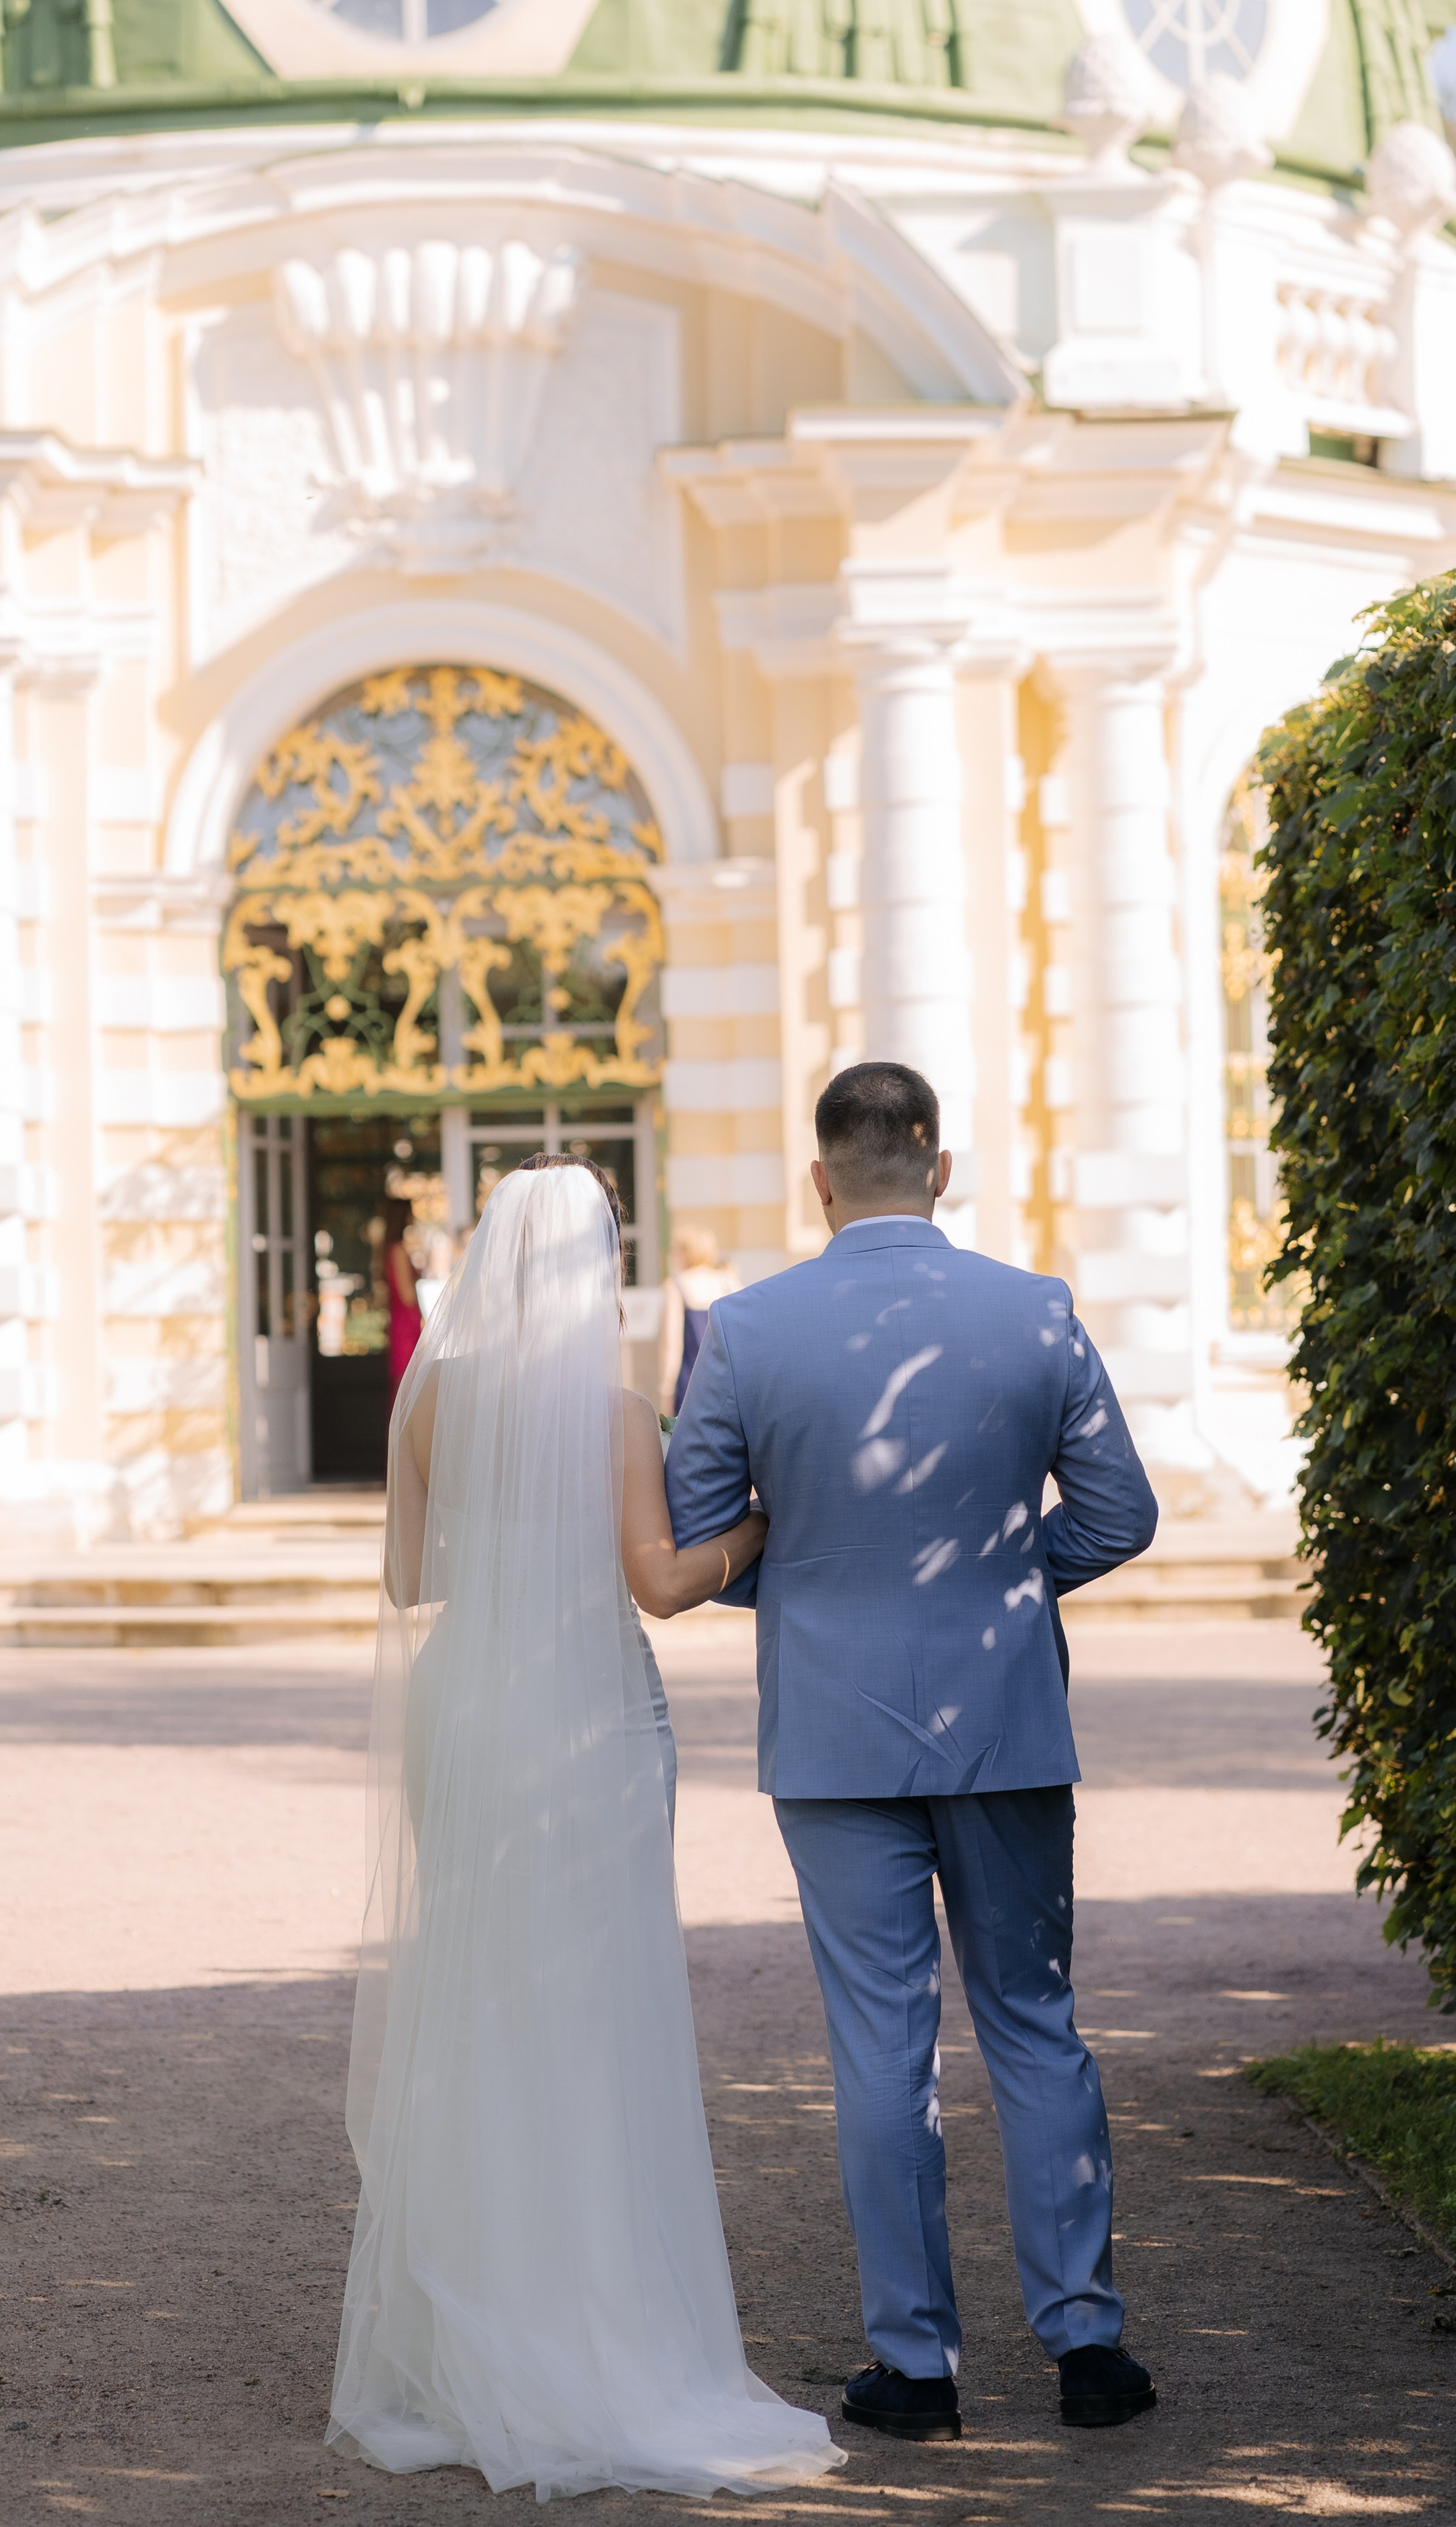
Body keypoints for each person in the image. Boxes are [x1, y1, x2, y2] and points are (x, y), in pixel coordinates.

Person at [327, 1155, 842, 2500]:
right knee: (594, 2002)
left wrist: (504, 1550)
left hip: (466, 1706)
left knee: (478, 1990)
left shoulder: (426, 1394)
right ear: (598, 1267)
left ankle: (463, 2337)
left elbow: (403, 1575)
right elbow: (662, 1586)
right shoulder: (615, 1412)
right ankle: (596, 2327)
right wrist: (757, 1531)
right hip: (583, 1712)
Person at [665, 1060, 1161, 2444]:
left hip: (831, 1728)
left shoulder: (748, 1330)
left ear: (819, 1178)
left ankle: (918, 2368)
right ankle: (1087, 2347)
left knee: (881, 2048)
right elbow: (1120, 1514)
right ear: (939, 1166)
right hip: (1006, 1713)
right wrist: (1008, 1584)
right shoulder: (1035, 1311)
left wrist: (815, 1578)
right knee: (1033, 2021)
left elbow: (703, 1529)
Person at [658, 1225, 742, 1418]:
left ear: (685, 1253)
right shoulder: (729, 1281)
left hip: (691, 1383)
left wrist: (666, 1390)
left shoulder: (677, 1285)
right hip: (728, 1382)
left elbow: (671, 1344)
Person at [380, 1193, 421, 1408]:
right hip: (406, 1328)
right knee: (407, 1388)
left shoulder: (393, 1248)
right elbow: (407, 1295)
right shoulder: (398, 1250)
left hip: (403, 1326)